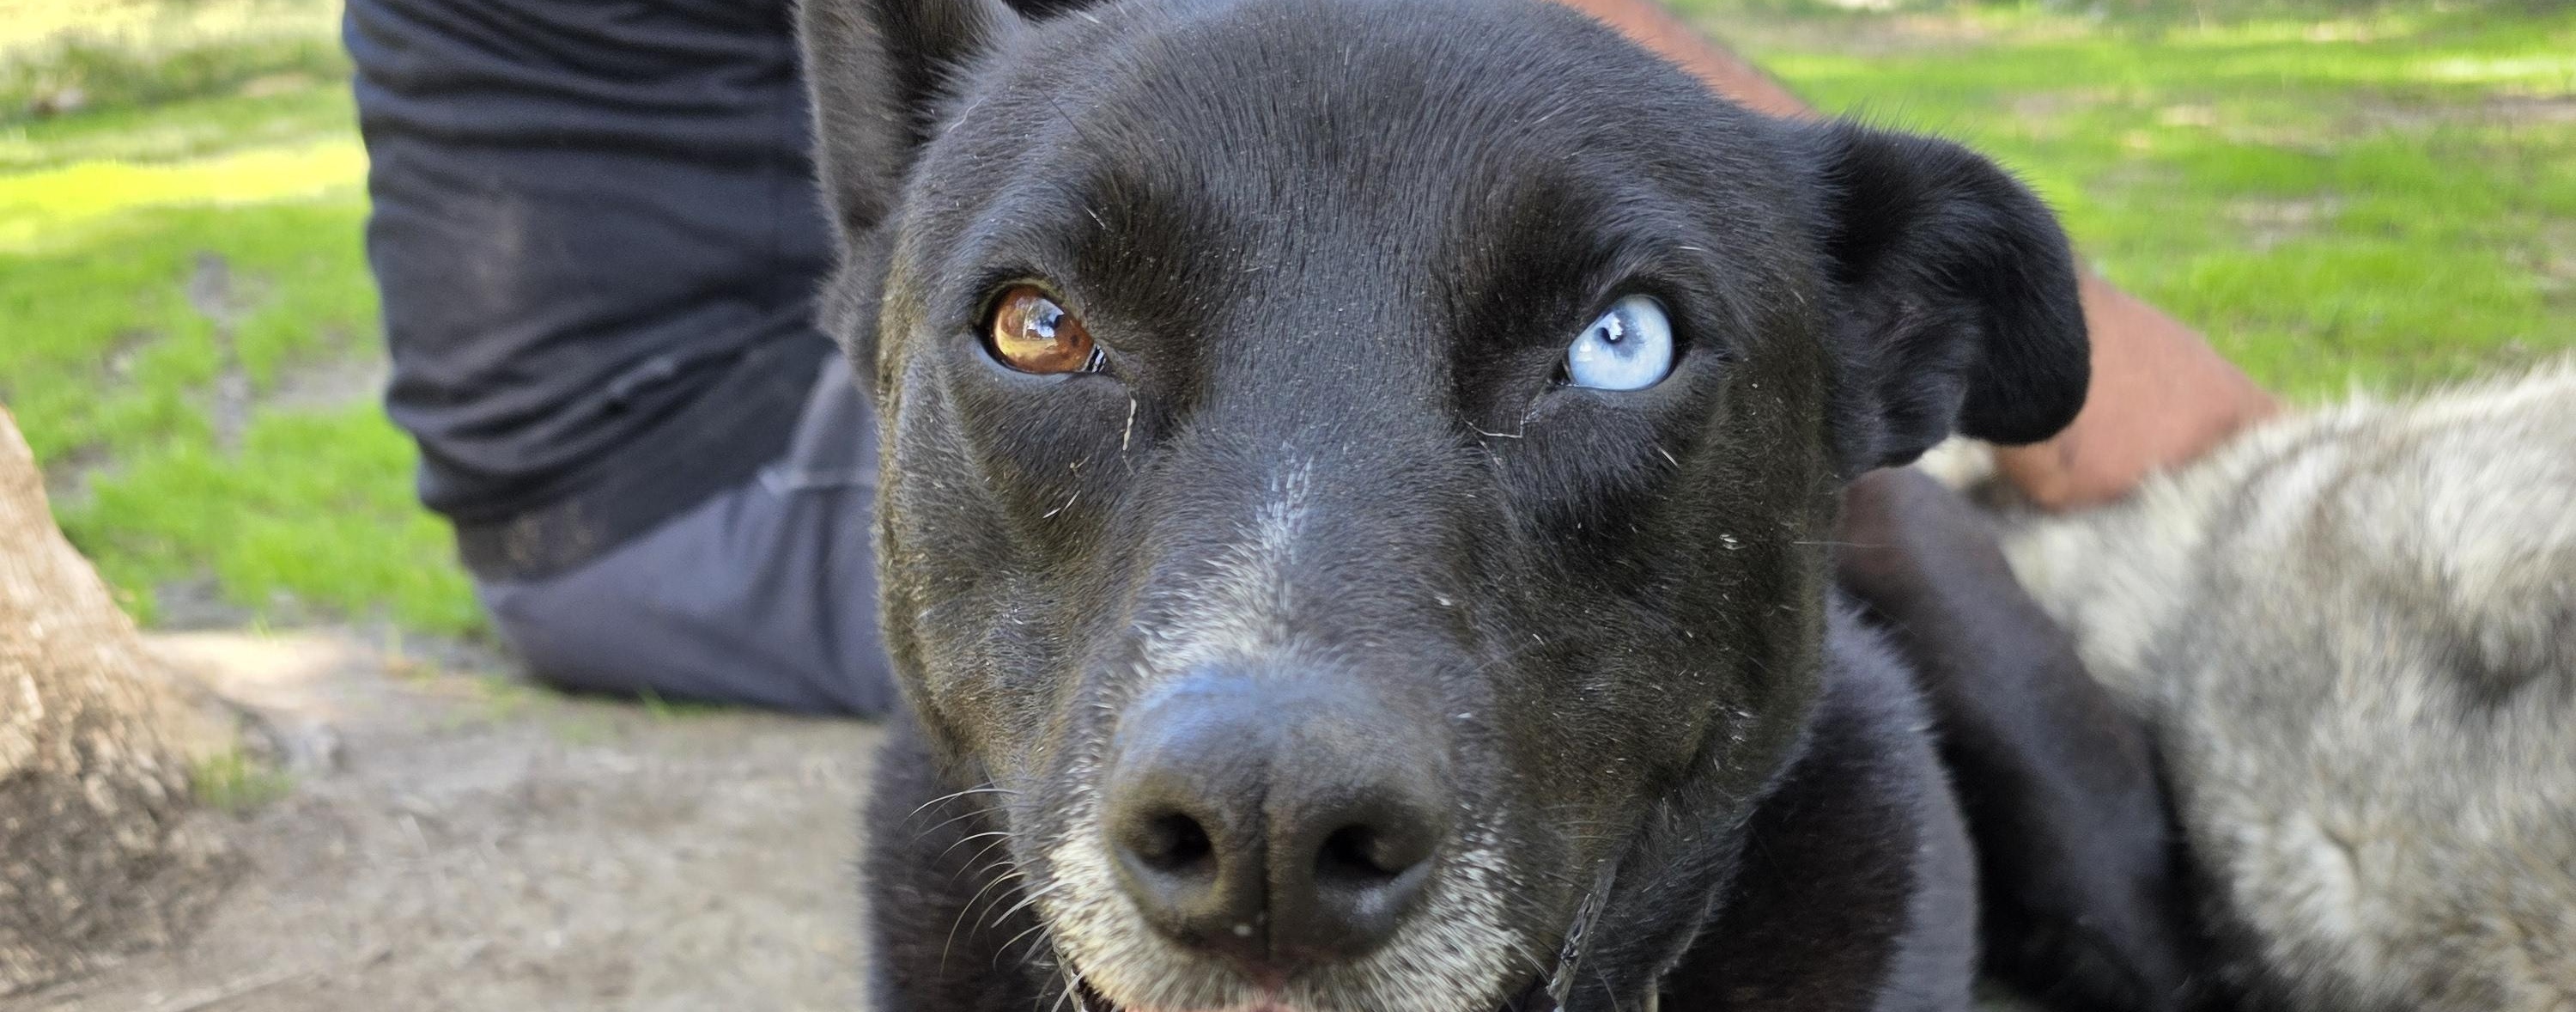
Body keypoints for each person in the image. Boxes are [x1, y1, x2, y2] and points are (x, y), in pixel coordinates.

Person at [345, 0, 2276, 716]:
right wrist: (2103, 383)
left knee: (1696, 437)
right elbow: (1470, 47)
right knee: (1743, 487)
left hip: (741, 379)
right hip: (679, 468)